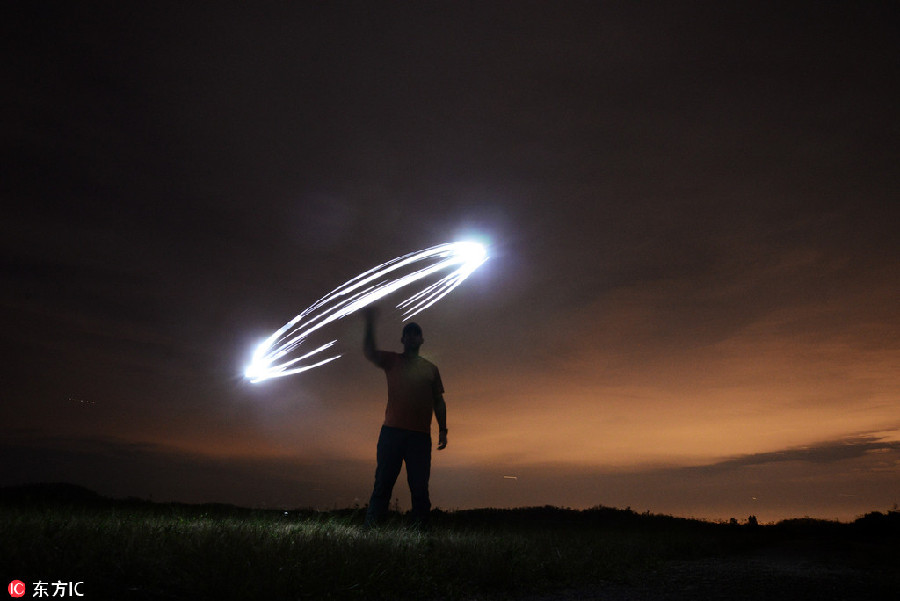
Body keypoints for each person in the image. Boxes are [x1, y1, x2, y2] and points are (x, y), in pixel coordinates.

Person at [363, 307, 447, 527]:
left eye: (415, 332)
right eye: (408, 333)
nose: (411, 336)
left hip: (419, 437)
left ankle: (420, 531)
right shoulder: (393, 361)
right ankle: (372, 529)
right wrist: (370, 323)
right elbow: (370, 352)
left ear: (422, 339)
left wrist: (443, 430)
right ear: (402, 338)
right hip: (392, 433)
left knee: (419, 487)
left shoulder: (431, 369)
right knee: (383, 483)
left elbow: (439, 401)